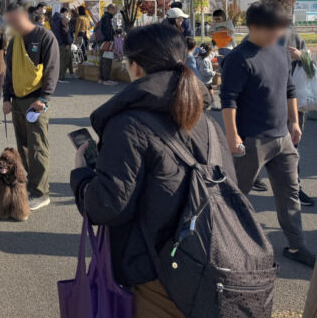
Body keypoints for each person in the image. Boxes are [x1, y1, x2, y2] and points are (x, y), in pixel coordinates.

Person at [71, 23, 236, 316]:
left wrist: (82, 175)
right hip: (213, 266)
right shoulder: (208, 123)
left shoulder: (128, 125)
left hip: (157, 274)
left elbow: (107, 206)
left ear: (135, 67)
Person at [221, 0, 314, 267]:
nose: (279, 32)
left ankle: (297, 246)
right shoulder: (238, 58)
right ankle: (224, 245)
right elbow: (228, 100)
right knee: (236, 195)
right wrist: (232, 136)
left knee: (290, 193)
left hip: (282, 138)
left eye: (281, 27)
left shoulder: (280, 51)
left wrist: (294, 122)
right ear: (254, 26)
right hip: (252, 140)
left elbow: (289, 88)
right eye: (274, 27)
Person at [2, 0, 59, 211]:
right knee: (24, 147)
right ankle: (33, 183)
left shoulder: (45, 37)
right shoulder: (15, 41)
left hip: (36, 100)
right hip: (18, 100)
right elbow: (9, 72)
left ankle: (41, 192)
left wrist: (44, 98)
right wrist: (6, 98)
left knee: (37, 148)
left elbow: (52, 70)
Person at [283, 15, 313, 207]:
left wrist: (301, 56)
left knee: (292, 147)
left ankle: (294, 188)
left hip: (292, 102)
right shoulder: (258, 36)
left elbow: (311, 69)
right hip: (270, 103)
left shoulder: (293, 35)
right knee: (289, 148)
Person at [96, 4, 118, 86]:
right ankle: (106, 79)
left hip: (102, 41)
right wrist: (110, 39)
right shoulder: (107, 17)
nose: (116, 11)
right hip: (107, 41)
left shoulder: (104, 16)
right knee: (107, 60)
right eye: (115, 9)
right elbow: (106, 30)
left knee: (102, 60)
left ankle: (101, 78)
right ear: (111, 9)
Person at [52, 7, 74, 83]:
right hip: (63, 43)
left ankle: (57, 76)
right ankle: (61, 77)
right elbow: (66, 32)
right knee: (63, 60)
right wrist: (68, 43)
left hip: (56, 42)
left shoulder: (54, 20)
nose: (69, 16)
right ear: (66, 12)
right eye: (68, 14)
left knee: (58, 60)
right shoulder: (63, 20)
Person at [196, 43, 215, 107]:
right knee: (205, 94)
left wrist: (214, 53)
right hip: (205, 81)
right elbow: (205, 72)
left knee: (210, 92)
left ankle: (212, 104)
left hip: (205, 80)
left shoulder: (201, 58)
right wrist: (213, 73)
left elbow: (211, 56)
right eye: (210, 51)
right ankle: (207, 105)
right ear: (208, 52)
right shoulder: (204, 60)